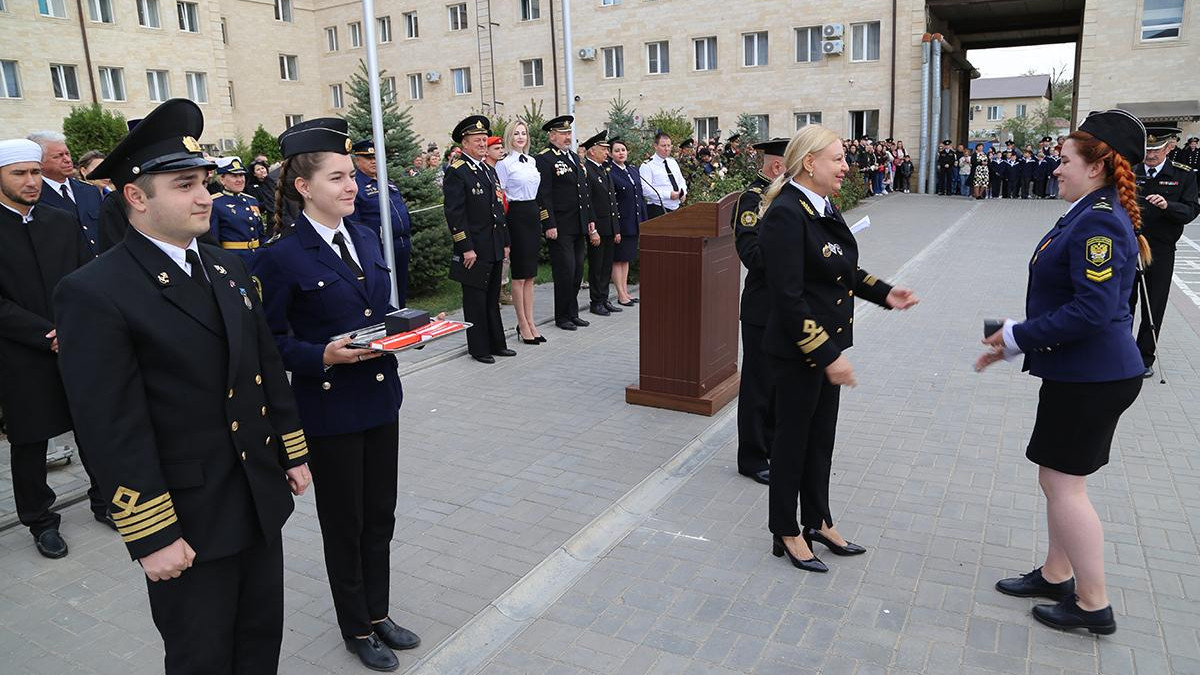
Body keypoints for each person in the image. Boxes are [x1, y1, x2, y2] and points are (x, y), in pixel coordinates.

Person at [52, 98, 312, 674]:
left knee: (260, 642)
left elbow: (263, 365)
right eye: (185, 185)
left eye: (205, 182)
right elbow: (108, 425)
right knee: (202, 656)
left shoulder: (225, 266)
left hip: (255, 494)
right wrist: (150, 533)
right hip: (186, 518)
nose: (205, 197)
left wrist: (291, 450)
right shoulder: (96, 291)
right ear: (136, 196)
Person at [251, 117, 420, 671]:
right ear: (303, 186)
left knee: (380, 516)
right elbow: (269, 342)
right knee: (345, 524)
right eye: (338, 177)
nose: (352, 185)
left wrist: (410, 330)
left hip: (379, 398)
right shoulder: (280, 256)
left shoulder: (365, 236)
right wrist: (321, 355)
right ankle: (356, 627)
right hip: (328, 408)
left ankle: (378, 612)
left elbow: (376, 311)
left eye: (352, 175)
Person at [977, 109, 1152, 636]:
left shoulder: (1098, 219)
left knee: (1063, 484)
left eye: (1065, 160)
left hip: (1092, 377)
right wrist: (1015, 337)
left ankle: (1093, 604)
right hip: (1083, 372)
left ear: (1095, 167)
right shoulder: (1089, 211)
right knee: (1058, 479)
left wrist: (1016, 336)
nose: (1056, 168)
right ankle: (1057, 575)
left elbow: (1091, 311)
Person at [757, 125, 918, 573]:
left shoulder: (820, 205)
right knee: (792, 443)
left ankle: (818, 520)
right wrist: (828, 355)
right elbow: (787, 298)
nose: (846, 166)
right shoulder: (786, 213)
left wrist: (884, 292)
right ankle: (785, 528)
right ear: (810, 163)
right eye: (838, 158)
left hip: (824, 348)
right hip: (799, 351)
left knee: (820, 442)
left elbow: (841, 267)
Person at [0, 138, 109, 558]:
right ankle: (40, 520)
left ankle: (106, 500)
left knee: (93, 427)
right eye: (20, 174)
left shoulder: (61, 221)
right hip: (20, 353)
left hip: (75, 344)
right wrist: (47, 333)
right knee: (30, 441)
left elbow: (87, 278)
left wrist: (76, 326)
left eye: (34, 172)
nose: (32, 181)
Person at [731, 138, 789, 487]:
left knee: (779, 384)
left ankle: (771, 446)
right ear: (777, 166)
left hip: (785, 305)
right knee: (758, 385)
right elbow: (751, 253)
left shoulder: (788, 196)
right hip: (762, 307)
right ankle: (752, 457)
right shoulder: (752, 199)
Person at [1129, 126, 1200, 378]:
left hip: (1160, 249)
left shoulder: (1183, 175)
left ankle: (1144, 357)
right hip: (1129, 247)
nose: (1150, 155)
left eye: (1156, 150)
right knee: (1123, 304)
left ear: (1168, 148)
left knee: (1154, 304)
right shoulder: (1130, 171)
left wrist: (1168, 205)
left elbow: (1191, 210)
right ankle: (1120, 353)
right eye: (1147, 150)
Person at [443, 115, 514, 363]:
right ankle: (479, 348)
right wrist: (465, 247)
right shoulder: (458, 172)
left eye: (485, 139)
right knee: (475, 300)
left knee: (492, 298)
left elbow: (498, 209)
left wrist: (505, 242)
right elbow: (455, 214)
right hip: (474, 248)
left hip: (493, 244)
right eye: (478, 140)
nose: (483, 144)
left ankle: (497, 343)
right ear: (464, 143)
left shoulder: (487, 169)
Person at [535, 115, 594, 331]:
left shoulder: (572, 157)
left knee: (577, 271)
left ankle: (573, 312)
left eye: (569, 133)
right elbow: (544, 194)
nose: (568, 137)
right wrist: (548, 223)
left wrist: (589, 219)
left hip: (577, 224)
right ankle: (562, 316)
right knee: (565, 271)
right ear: (552, 136)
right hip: (560, 226)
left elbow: (583, 192)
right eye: (563, 134)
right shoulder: (545, 159)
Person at [495, 120, 544, 344]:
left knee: (530, 274)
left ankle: (531, 321)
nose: (521, 137)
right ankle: (522, 323)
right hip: (516, 215)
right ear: (509, 137)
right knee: (520, 274)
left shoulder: (532, 161)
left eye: (524, 133)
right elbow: (501, 197)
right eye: (516, 133)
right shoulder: (504, 164)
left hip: (532, 213)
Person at [348, 140, 413, 307]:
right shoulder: (357, 186)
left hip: (401, 243)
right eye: (368, 158)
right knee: (384, 291)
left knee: (400, 289)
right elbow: (355, 223)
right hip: (379, 247)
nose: (374, 161)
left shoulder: (386, 181)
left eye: (376, 157)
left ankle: (401, 315)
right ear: (357, 160)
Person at [29, 131, 103, 257]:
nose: (67, 160)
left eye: (67, 154)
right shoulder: (34, 197)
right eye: (57, 156)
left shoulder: (90, 191)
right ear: (39, 162)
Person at [580, 131, 620, 317]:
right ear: (592, 151)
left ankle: (604, 299)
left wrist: (616, 228)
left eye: (606, 149)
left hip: (609, 226)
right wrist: (593, 229)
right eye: (603, 149)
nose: (606, 153)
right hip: (597, 227)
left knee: (606, 266)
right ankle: (596, 301)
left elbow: (612, 201)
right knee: (597, 266)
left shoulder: (604, 169)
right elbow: (588, 202)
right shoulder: (587, 170)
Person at [608, 138, 645, 307]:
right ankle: (620, 294)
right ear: (610, 154)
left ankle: (625, 291)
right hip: (621, 221)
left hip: (634, 219)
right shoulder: (610, 171)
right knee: (618, 258)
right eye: (617, 150)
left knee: (627, 258)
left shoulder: (632, 170)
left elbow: (639, 196)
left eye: (623, 150)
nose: (621, 153)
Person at [208, 157, 266, 263]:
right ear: (222, 179)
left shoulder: (251, 200)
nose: (240, 180)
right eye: (234, 176)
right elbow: (213, 241)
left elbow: (261, 234)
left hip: (257, 258)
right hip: (233, 260)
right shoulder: (215, 203)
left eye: (241, 175)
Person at [641, 131, 687, 218]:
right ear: (655, 146)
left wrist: (683, 192)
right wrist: (668, 195)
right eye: (663, 146)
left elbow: (681, 181)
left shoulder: (672, 162)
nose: (667, 149)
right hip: (658, 208)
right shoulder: (647, 165)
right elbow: (646, 190)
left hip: (676, 207)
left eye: (669, 146)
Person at [246, 160, 276, 226]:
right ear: (254, 174)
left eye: (262, 168)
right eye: (258, 170)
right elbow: (255, 203)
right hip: (265, 216)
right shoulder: (252, 187)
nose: (261, 171)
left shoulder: (273, 182)